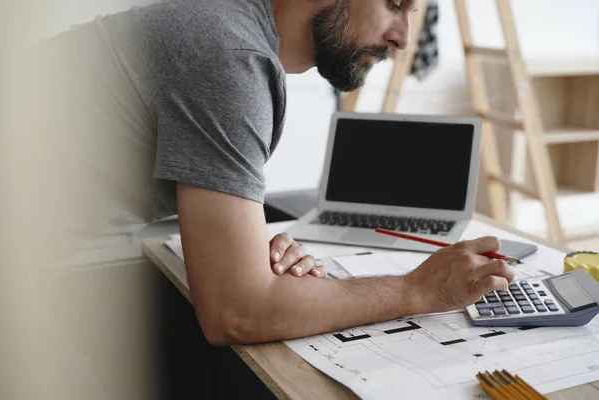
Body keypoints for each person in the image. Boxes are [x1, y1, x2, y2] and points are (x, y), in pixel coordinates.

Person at [25, 0, 514, 346]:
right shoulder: (229, 57)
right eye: (394, 3)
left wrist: (241, 247)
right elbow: (236, 313)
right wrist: (419, 289)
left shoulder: (225, 27)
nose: (403, 38)